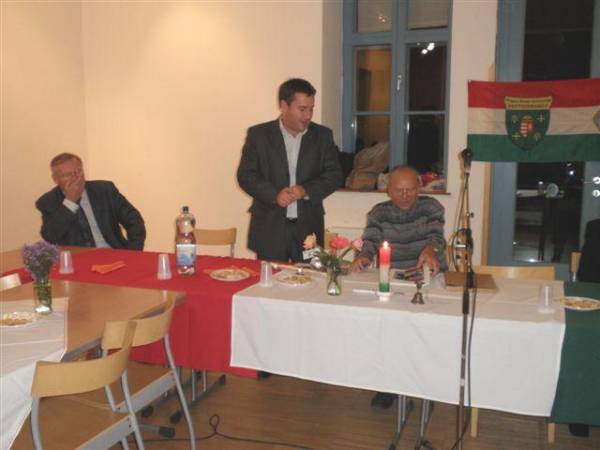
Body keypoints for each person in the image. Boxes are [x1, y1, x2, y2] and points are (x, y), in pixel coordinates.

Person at [351, 165, 447, 410]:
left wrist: (430, 249)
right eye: (399, 190)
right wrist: (364, 256)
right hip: (394, 278)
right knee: (388, 331)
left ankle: (424, 387)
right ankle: (388, 387)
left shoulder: (432, 207)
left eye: (410, 190)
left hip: (428, 276)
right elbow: (371, 240)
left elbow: (436, 236)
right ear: (389, 190)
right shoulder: (379, 212)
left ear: (419, 188)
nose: (405, 195)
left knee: (424, 333)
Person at [237, 78, 343, 262]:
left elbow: (334, 176)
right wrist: (274, 194)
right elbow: (246, 175)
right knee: (270, 280)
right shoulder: (259, 135)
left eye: (311, 109)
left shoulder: (322, 136)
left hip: (308, 230)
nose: (308, 115)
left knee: (309, 278)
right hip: (270, 229)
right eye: (302, 109)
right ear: (284, 106)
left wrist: (305, 190)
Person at [36, 153, 146, 250]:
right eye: (68, 175)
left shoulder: (105, 190)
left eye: (78, 171)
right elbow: (51, 236)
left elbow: (134, 220)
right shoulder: (47, 202)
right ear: (55, 179)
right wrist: (70, 202)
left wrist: (133, 251)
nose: (76, 178)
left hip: (113, 253)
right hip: (77, 259)